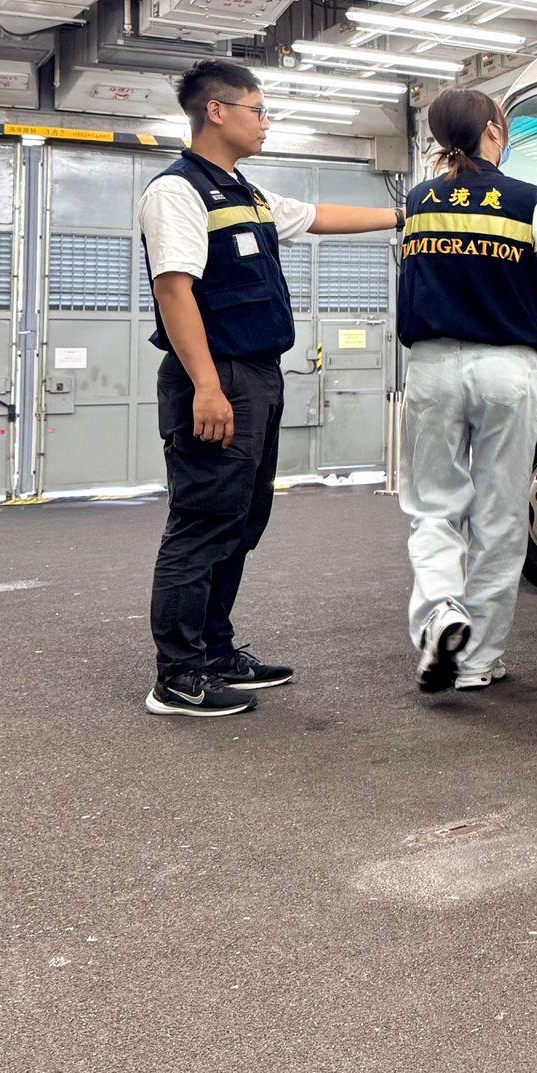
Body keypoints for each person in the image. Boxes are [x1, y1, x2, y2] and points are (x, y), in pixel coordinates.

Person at [140, 59, 402, 717]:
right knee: (201, 523)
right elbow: (174, 291)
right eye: (259, 110)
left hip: (257, 375)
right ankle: (175, 676)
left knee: (240, 520)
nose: (266, 122)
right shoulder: (176, 192)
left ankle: (215, 652)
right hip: (217, 374)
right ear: (218, 111)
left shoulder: (247, 194)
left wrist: (405, 215)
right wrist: (205, 383)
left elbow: (320, 215)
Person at [398, 86, 537, 695]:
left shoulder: (418, 201)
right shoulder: (530, 202)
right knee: (500, 510)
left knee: (434, 505)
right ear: (492, 129)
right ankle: (479, 658)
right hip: (507, 367)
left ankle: (441, 613)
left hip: (432, 366)